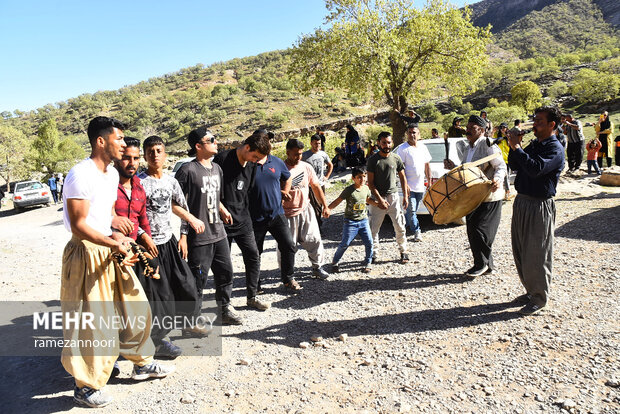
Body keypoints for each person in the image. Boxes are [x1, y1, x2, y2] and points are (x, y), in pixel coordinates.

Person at [61, 116, 173, 408]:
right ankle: (85, 387)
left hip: (110, 248)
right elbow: (79, 225)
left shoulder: (110, 174)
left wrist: (119, 229)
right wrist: (113, 242)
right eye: (119, 138)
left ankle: (141, 363)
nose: (124, 143)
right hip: (87, 252)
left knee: (135, 306)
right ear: (101, 141)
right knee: (93, 322)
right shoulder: (80, 174)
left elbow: (104, 213)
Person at [112, 137, 181, 359]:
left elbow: (142, 220)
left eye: (135, 158)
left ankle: (156, 341)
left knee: (160, 300)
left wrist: (147, 243)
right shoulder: (107, 186)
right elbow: (95, 218)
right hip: (114, 253)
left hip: (138, 252)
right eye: (126, 158)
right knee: (115, 308)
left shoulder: (139, 186)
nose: (131, 163)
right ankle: (112, 355)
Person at [138, 136, 212, 334]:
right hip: (148, 245)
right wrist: (142, 237)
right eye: (150, 152)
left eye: (158, 151)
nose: (155, 155)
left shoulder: (171, 182)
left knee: (186, 283)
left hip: (168, 241)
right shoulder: (139, 183)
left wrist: (184, 236)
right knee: (158, 293)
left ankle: (189, 323)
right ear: (145, 156)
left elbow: (183, 207)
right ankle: (156, 337)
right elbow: (132, 214)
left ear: (165, 154)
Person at [175, 127, 243, 325]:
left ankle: (224, 309)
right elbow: (176, 203)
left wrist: (222, 209)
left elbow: (214, 196)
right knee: (197, 279)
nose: (216, 141)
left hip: (218, 231)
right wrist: (184, 234)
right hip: (199, 236)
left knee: (226, 272)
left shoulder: (217, 169)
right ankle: (192, 319)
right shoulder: (187, 170)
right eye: (211, 139)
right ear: (198, 146)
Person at [507, 106, 565, 316]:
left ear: (552, 125)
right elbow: (515, 165)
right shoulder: (534, 145)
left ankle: (540, 297)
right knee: (521, 250)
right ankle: (530, 291)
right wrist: (514, 146)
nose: (535, 124)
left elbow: (534, 169)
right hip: (522, 202)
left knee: (537, 253)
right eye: (534, 120)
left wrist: (519, 149)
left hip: (539, 205)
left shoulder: (555, 149)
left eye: (539, 121)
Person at [213, 133, 271, 311]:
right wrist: (220, 208)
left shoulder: (252, 165)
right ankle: (225, 305)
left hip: (243, 218)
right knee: (224, 265)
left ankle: (252, 297)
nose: (255, 161)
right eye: (255, 156)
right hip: (222, 220)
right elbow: (211, 189)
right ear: (247, 147)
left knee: (253, 256)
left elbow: (248, 192)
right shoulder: (222, 160)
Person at [445, 115, 506, 277]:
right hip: (473, 196)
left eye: (472, 128)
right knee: (472, 229)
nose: (468, 130)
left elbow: (501, 166)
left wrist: (498, 180)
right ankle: (486, 265)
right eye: (467, 127)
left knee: (481, 230)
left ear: (481, 130)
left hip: (490, 195)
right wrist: (454, 167)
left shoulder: (488, 144)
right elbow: (468, 170)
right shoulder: (467, 148)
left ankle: (481, 264)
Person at [248, 130, 300, 292]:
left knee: (289, 246)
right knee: (255, 253)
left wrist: (285, 190)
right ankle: (255, 285)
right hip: (255, 217)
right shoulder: (248, 162)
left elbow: (288, 176)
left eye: (270, 140)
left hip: (277, 214)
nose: (269, 142)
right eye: (266, 139)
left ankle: (288, 278)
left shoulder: (276, 162)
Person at [282, 139, 331, 279]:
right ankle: (286, 274)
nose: (298, 157)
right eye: (295, 154)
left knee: (314, 239)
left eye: (301, 154)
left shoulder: (305, 167)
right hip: (287, 214)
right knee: (287, 246)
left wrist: (325, 206)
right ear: (287, 152)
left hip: (305, 210)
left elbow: (315, 187)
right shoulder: (281, 168)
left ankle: (317, 267)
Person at [367, 131, 409, 264]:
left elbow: (403, 177)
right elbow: (371, 183)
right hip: (377, 199)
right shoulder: (373, 160)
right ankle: (374, 253)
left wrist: (406, 196)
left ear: (392, 143)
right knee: (374, 228)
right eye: (384, 142)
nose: (387, 145)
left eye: (389, 142)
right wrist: (379, 200)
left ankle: (403, 251)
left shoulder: (396, 158)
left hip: (394, 197)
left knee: (399, 225)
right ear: (379, 143)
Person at [328, 167, 378, 273]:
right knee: (345, 243)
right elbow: (338, 201)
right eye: (359, 177)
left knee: (369, 242)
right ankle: (335, 262)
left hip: (363, 221)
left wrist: (378, 204)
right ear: (353, 178)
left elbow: (368, 199)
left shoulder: (365, 188)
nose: (362, 179)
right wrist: (328, 209)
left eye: (364, 177)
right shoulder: (349, 190)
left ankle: (368, 262)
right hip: (350, 222)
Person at [395, 123, 431, 242]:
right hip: (409, 187)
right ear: (407, 134)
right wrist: (405, 185)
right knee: (412, 211)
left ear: (418, 134)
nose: (412, 135)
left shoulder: (423, 147)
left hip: (421, 186)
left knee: (412, 210)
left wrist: (429, 181)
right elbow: (400, 169)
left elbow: (427, 165)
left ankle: (401, 225)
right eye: (409, 132)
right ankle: (417, 231)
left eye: (414, 132)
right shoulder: (402, 149)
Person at [302, 134, 333, 227]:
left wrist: (327, 176)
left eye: (319, 143)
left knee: (320, 204)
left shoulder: (323, 154)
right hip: (310, 185)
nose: (317, 145)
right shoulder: (305, 155)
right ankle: (317, 226)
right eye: (315, 143)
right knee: (314, 206)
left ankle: (317, 223)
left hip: (321, 183)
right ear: (311, 143)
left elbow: (330, 165)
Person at [491, 123, 512, 200]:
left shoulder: (508, 136)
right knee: (499, 177)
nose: (503, 129)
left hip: (507, 159)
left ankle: (507, 192)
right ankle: (506, 192)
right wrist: (493, 131)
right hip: (499, 159)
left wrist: (505, 134)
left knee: (507, 177)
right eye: (501, 128)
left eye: (504, 128)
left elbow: (511, 143)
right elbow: (490, 140)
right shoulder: (497, 135)